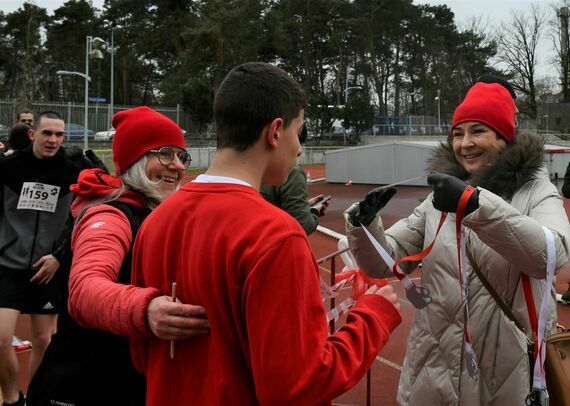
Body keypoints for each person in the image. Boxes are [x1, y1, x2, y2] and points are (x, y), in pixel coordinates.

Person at [130, 62, 402, 405]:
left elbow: (143, 356)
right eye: (298, 132)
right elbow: (296, 386)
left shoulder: (155, 221)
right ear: (275, 132)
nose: (300, 149)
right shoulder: (276, 235)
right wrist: (372, 316)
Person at [344, 82, 570, 405]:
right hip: (431, 378)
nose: (465, 144)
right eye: (458, 133)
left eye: (478, 131)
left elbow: (552, 253)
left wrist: (474, 205)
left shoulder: (536, 191)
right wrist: (365, 226)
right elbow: (386, 261)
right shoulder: (439, 198)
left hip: (504, 382)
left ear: (504, 136)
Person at [26, 106, 210, 406]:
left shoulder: (154, 213)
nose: (177, 166)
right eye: (164, 154)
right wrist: (146, 309)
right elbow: (85, 290)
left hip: (122, 383)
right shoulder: (111, 214)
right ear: (135, 160)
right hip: (81, 387)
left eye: (181, 156)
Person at [0, 111, 81, 406]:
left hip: (47, 268)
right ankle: (11, 398)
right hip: (8, 264)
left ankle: (35, 398)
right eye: (47, 133)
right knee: (1, 339)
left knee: (44, 341)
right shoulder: (8, 168)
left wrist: (59, 257)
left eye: (59, 135)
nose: (53, 140)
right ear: (33, 134)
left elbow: (78, 220)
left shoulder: (72, 173)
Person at [260, 126, 329, 234]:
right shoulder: (292, 173)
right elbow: (302, 225)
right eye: (297, 138)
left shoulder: (249, 172)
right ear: (274, 135)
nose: (300, 150)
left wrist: (301, 206)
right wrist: (314, 212)